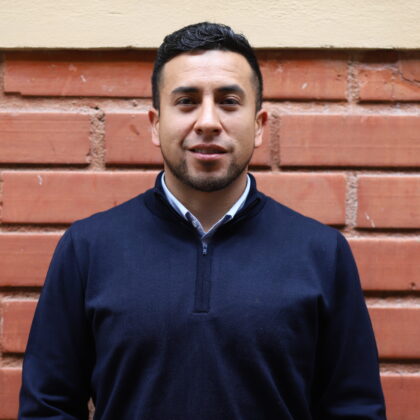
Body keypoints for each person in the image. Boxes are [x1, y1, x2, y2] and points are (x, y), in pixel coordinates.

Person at [19, 22, 386, 419]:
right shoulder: (88, 248)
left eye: (228, 101)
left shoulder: (322, 253)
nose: (208, 121)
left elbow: (354, 409)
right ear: (156, 124)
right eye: (186, 101)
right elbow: (48, 407)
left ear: (259, 126)